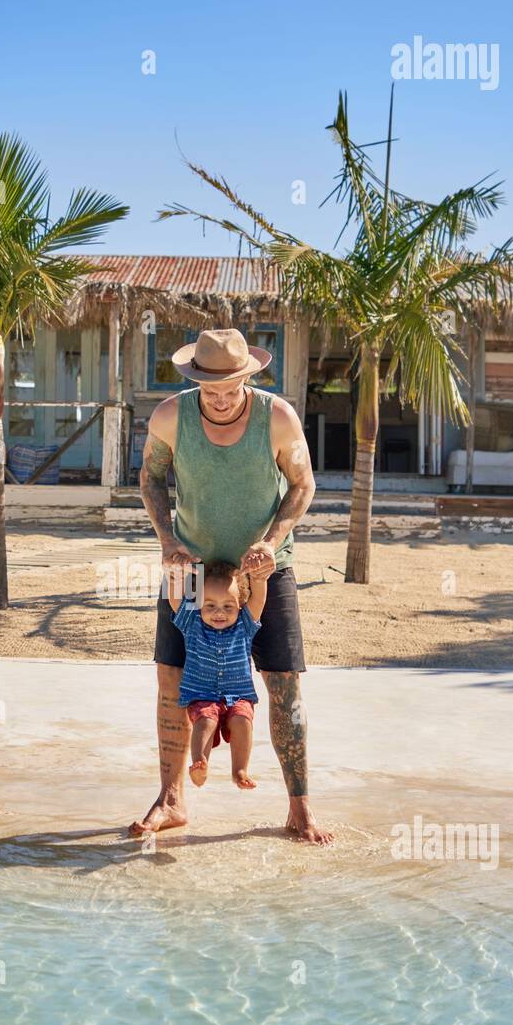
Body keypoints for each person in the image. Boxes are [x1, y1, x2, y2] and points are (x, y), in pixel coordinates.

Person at [129, 327, 333, 845]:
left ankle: (300, 807)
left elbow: (303, 483)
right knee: (170, 682)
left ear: (249, 376)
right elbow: (151, 477)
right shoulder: (171, 416)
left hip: (266, 569)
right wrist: (167, 539)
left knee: (284, 688)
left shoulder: (277, 417)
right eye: (209, 389)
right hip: (191, 570)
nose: (219, 400)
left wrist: (272, 539)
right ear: (193, 378)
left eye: (230, 389)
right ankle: (171, 800)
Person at [167, 559, 268, 790]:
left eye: (228, 606)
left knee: (242, 721)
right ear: (198, 603)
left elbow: (259, 598)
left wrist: (259, 578)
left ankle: (239, 770)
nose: (219, 613)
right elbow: (175, 600)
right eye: (210, 606)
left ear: (240, 605)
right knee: (205, 720)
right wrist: (176, 577)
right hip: (201, 694)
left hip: (239, 694)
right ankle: (200, 763)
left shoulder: (245, 624)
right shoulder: (191, 624)